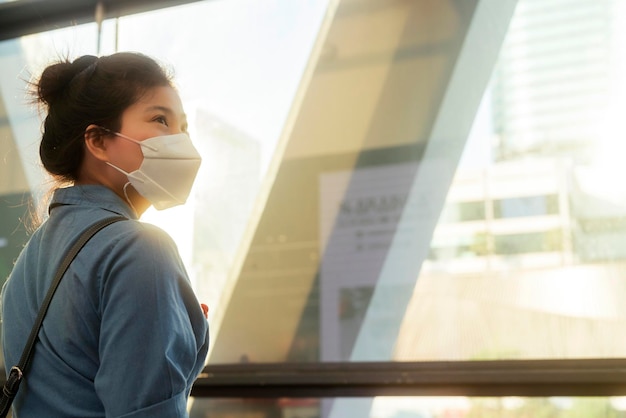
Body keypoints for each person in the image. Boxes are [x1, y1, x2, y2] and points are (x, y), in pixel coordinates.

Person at [1, 52, 209, 417]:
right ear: (97, 141)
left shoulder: (28, 259)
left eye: (183, 127)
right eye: (161, 119)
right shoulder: (140, 248)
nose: (180, 141)